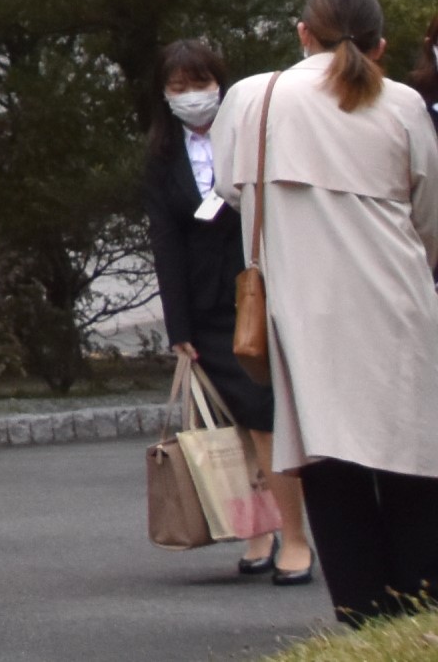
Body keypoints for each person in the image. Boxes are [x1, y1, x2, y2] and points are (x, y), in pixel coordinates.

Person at [212, 0, 438, 628]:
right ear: (380, 45)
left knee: (327, 460)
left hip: (303, 307)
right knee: (412, 457)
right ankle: (421, 610)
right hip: (397, 300)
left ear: (303, 32)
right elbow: (428, 215)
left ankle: (362, 616)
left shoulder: (253, 98)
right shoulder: (401, 103)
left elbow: (229, 187)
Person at [150, 35, 312, 583]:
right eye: (178, 86)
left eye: (200, 83)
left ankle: (296, 537)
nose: (191, 96)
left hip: (256, 292)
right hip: (202, 306)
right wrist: (178, 326)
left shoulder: (251, 134)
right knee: (231, 424)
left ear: (220, 83)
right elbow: (165, 242)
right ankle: (257, 530)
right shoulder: (163, 155)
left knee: (265, 419)